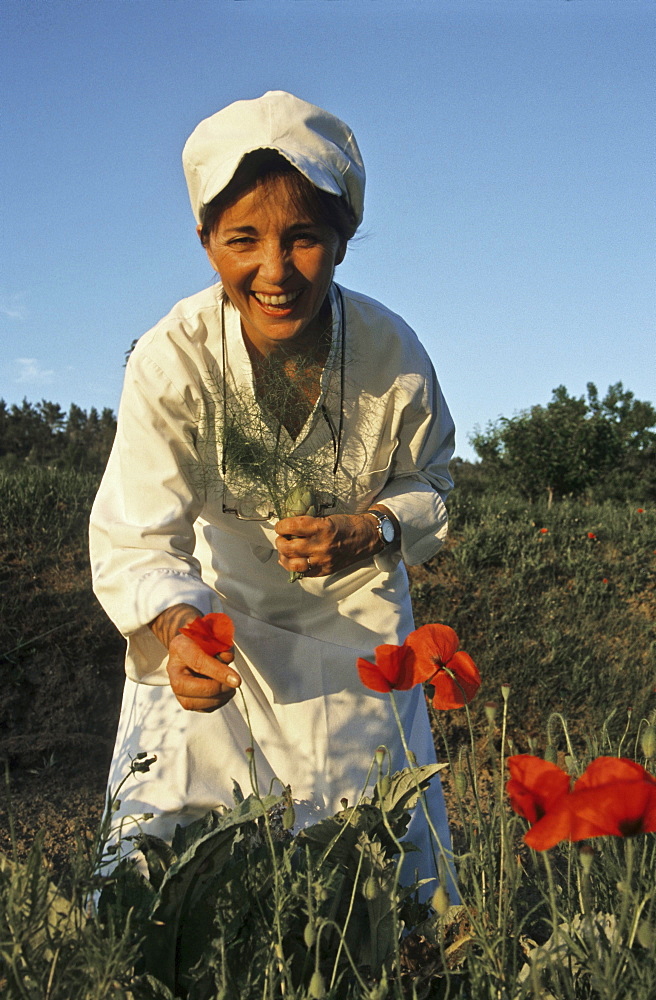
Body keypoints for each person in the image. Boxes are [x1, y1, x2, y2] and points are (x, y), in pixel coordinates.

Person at [90, 91, 456, 894]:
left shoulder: (392, 352)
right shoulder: (173, 359)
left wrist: (372, 529)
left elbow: (434, 487)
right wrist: (180, 627)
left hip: (355, 639)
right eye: (242, 240)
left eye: (304, 240)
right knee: (165, 880)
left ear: (343, 240)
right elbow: (136, 535)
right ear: (205, 241)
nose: (274, 270)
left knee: (374, 883)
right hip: (214, 632)